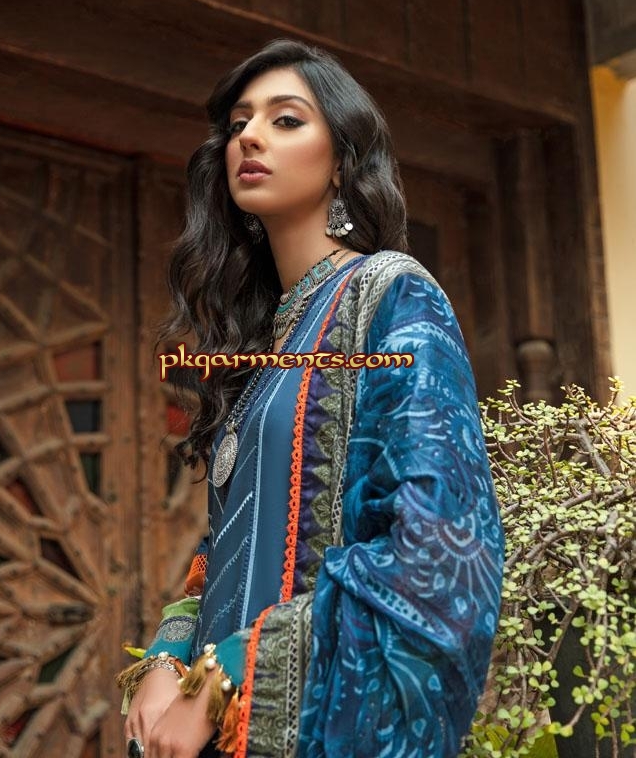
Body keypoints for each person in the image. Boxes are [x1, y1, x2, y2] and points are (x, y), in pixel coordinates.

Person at [118, 39, 504, 758]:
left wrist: (228, 674)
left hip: (309, 730)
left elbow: (436, 550)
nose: (250, 137)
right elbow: (224, 554)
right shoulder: (266, 348)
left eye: (286, 119)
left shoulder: (392, 296)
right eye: (239, 124)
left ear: (343, 161)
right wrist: (168, 659)